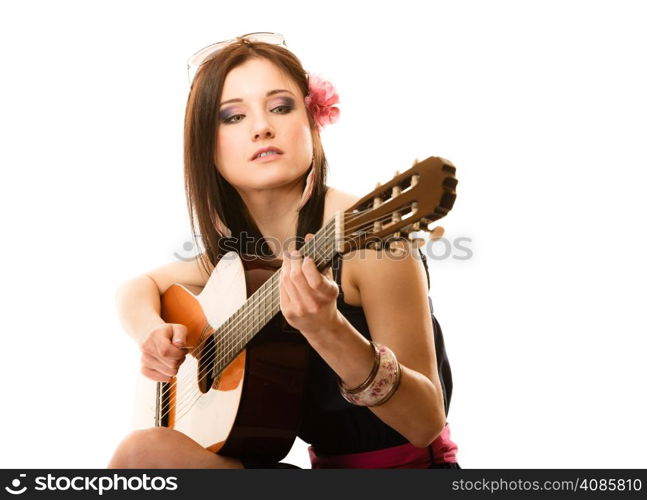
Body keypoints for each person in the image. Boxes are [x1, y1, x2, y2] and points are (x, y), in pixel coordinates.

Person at [108, 33, 459, 469]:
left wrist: (328, 329)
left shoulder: (371, 239)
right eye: (232, 117)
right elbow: (138, 287)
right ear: (206, 144)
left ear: (311, 124)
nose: (261, 127)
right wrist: (150, 332)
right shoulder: (239, 257)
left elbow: (425, 421)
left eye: (280, 107)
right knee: (145, 453)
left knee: (141, 455)